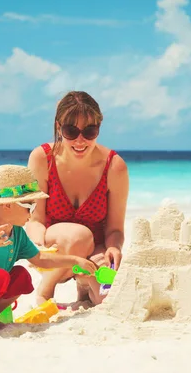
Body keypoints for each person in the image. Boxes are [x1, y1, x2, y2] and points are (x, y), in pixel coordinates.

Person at [0, 164, 98, 331]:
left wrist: (74, 260)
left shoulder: (17, 232)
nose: (32, 213)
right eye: (30, 207)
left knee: (21, 276)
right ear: (7, 205)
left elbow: (40, 258)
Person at [26, 91, 129, 307]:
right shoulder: (42, 158)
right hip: (56, 249)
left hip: (94, 249)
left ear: (99, 129)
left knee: (109, 299)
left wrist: (113, 249)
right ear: (58, 127)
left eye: (90, 131)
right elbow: (35, 219)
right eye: (71, 131)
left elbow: (115, 229)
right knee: (78, 236)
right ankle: (46, 289)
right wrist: (37, 246)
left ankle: (83, 285)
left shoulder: (114, 166)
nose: (80, 140)